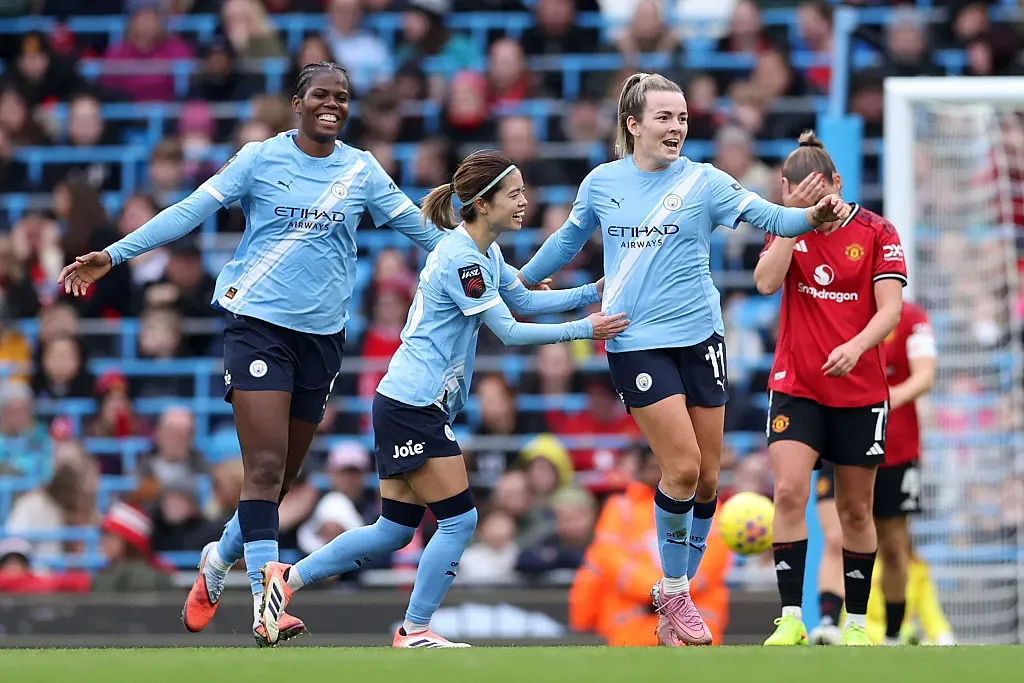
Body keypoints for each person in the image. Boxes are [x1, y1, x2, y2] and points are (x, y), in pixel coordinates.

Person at [57, 62, 446, 644]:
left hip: (322, 340)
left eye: (342, 96)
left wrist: (502, 276)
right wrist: (113, 255)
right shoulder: (259, 159)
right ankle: (268, 605)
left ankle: (219, 559)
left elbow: (426, 231)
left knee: (277, 483)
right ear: (297, 102)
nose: (332, 104)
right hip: (258, 327)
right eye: (320, 94)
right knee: (262, 469)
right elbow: (189, 211)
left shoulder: (362, 170)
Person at [516, 72, 851, 646]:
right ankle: (673, 590)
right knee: (682, 467)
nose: (676, 128)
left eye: (682, 118)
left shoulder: (704, 182)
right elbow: (570, 243)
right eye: (664, 118)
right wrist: (519, 280)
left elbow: (771, 218)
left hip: (702, 338)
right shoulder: (602, 183)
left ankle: (680, 598)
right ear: (634, 124)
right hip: (634, 338)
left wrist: (812, 217)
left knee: (708, 479)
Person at [256, 150, 628, 648]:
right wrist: (588, 328)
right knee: (461, 519)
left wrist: (591, 291)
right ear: (481, 202)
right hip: (414, 406)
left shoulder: (483, 253)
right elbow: (511, 333)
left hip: (405, 402)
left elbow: (520, 298)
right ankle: (414, 629)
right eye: (514, 194)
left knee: (393, 530)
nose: (524, 202)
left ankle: (285, 579)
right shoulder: (463, 260)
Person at [754, 131, 907, 646]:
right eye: (801, 196)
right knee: (790, 491)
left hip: (860, 391)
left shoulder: (877, 230)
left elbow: (891, 309)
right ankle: (791, 617)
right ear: (787, 191)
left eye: (822, 192)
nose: (816, 202)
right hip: (797, 385)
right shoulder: (786, 226)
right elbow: (765, 284)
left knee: (856, 511)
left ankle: (859, 625)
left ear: (838, 182)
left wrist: (857, 346)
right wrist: (794, 224)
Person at [809, 300, 948, 646]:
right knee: (835, 535)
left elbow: (925, 375)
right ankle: (828, 622)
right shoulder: (834, 307)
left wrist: (882, 397)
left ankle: (893, 634)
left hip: (895, 448)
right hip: (839, 439)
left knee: (894, 546)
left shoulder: (912, 318)